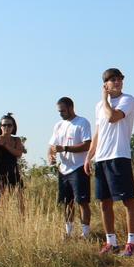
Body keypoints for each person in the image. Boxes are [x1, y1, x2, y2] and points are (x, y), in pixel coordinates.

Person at [83, 68, 134, 257]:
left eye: (119, 79)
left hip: (119, 156)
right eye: (112, 79)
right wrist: (89, 156)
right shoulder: (99, 106)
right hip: (102, 158)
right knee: (104, 202)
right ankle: (111, 242)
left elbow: (113, 117)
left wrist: (106, 100)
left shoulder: (127, 100)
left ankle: (131, 242)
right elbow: (98, 133)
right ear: (105, 84)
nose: (117, 82)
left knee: (127, 200)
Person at [49, 97, 93, 239]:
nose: (61, 113)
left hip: (78, 167)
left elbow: (87, 144)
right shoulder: (58, 125)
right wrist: (51, 155)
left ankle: (85, 233)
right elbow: (52, 145)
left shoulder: (82, 123)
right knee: (67, 202)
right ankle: (68, 232)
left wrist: (65, 148)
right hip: (63, 169)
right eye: (59, 111)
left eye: (63, 110)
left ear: (71, 107)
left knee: (82, 201)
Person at [0, 113, 26, 214]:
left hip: (14, 173)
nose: (6, 127)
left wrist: (6, 145)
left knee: (21, 202)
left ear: (13, 127)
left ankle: (21, 223)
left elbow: (18, 153)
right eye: (4, 125)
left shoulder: (16, 140)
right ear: (0, 127)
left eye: (9, 125)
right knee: (2, 204)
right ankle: (3, 224)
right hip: (0, 173)